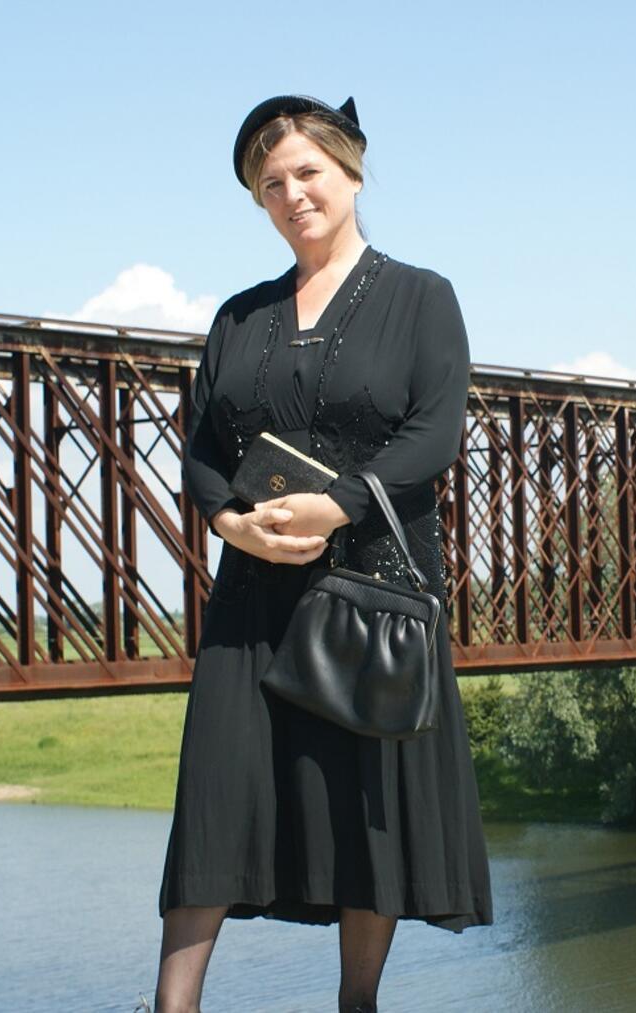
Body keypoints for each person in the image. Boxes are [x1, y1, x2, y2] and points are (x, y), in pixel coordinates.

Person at [156, 94, 493, 1013]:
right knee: (215, 801)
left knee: (358, 812)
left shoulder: (422, 296)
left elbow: (434, 432)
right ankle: (171, 1007)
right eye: (271, 184)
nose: (292, 193)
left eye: (308, 172)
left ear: (351, 171)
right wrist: (229, 520)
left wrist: (337, 505)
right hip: (251, 599)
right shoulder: (239, 316)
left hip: (368, 590)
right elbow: (199, 451)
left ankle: (356, 1004)